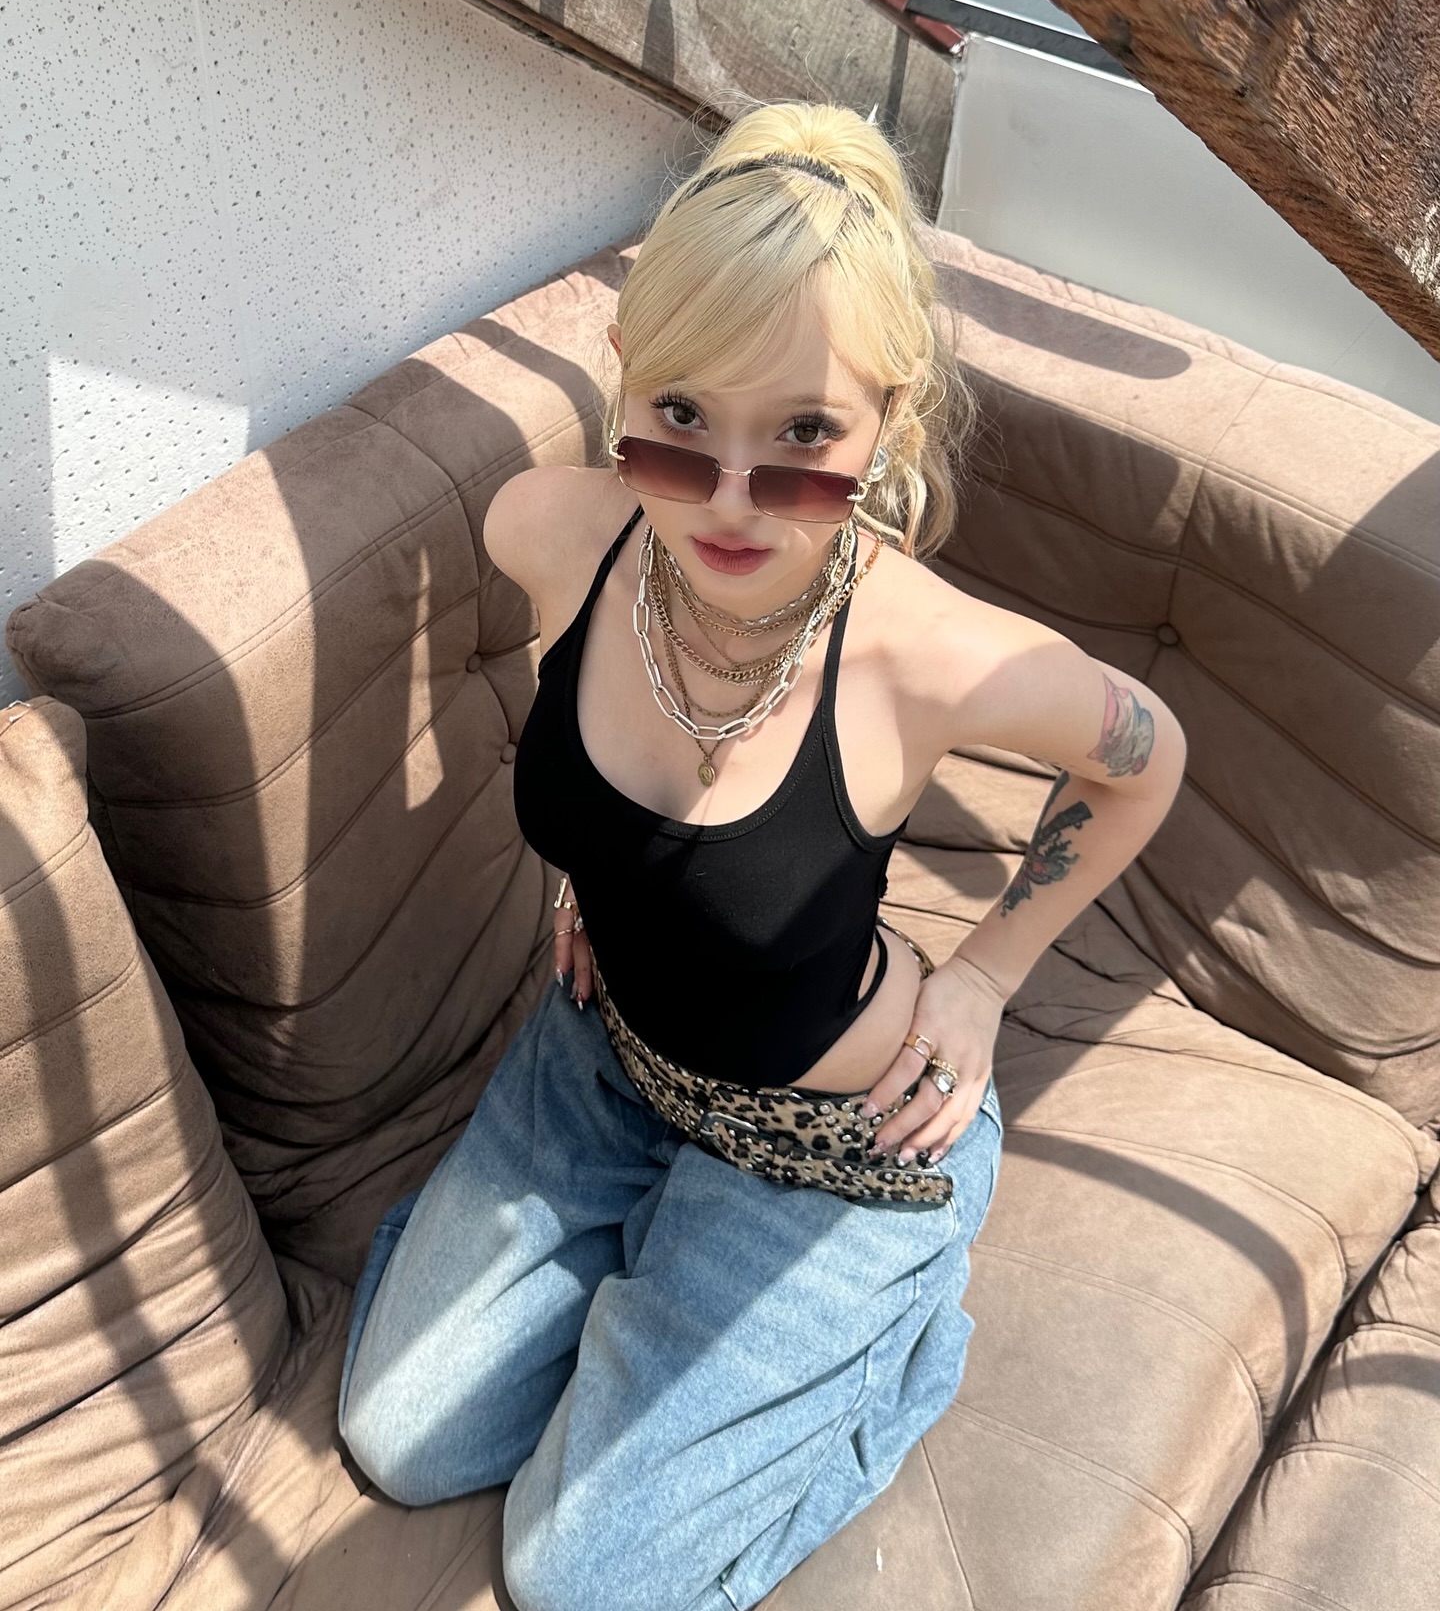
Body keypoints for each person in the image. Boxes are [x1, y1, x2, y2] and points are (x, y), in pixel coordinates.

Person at [335, 100, 1187, 1611]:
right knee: (400, 1437)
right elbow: (591, 740)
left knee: (573, 1578)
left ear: (888, 426)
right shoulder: (551, 532)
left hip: (829, 1141)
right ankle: (646, 1253)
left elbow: (1146, 756)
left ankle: (879, 1324)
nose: (731, 498)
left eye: (802, 438)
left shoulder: (929, 655)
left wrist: (987, 977)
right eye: (680, 418)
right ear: (624, 379)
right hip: (603, 1056)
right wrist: (598, 873)